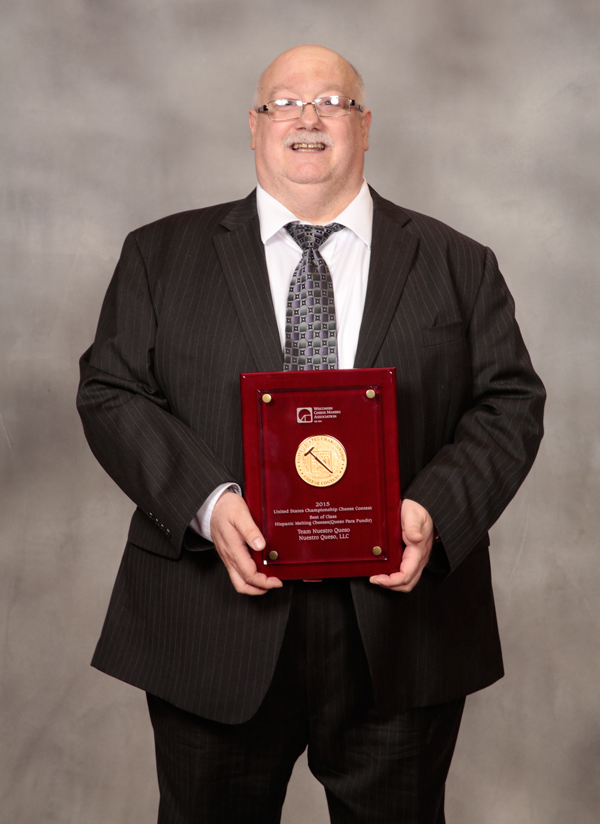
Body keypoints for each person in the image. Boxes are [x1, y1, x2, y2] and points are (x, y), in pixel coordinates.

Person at [77, 45, 545, 823]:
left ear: (365, 126)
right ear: (254, 128)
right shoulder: (160, 257)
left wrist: (433, 509)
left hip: (399, 631)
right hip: (213, 621)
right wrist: (207, 501)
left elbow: (509, 402)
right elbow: (111, 390)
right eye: (285, 103)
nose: (308, 117)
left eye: (331, 101)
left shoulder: (460, 264)